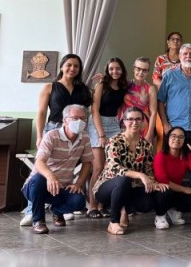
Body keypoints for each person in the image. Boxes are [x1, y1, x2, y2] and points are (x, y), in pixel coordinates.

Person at [23, 53, 92, 227]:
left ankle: (57, 210)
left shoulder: (83, 89)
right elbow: (41, 113)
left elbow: (87, 113)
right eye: (69, 65)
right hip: (53, 129)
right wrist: (39, 135)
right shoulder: (49, 87)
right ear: (62, 66)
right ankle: (32, 211)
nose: (72, 68)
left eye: (76, 66)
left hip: (75, 132)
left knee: (66, 169)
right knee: (41, 172)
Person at [94, 107, 168, 235]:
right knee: (123, 180)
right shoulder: (114, 141)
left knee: (147, 202)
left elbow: (149, 170)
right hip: (107, 187)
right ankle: (113, 222)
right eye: (130, 119)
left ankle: (124, 209)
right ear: (124, 121)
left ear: (143, 122)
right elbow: (114, 167)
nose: (135, 122)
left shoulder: (146, 145)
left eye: (138, 119)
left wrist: (154, 182)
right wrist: (140, 175)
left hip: (133, 187)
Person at [21, 104, 93, 234]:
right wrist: (50, 177)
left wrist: (78, 183)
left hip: (62, 187)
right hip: (38, 186)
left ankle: (56, 211)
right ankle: (38, 221)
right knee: (38, 179)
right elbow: (39, 161)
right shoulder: (51, 136)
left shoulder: (85, 138)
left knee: (79, 201)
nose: (80, 122)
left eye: (83, 118)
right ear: (65, 120)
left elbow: (87, 163)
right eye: (75, 118)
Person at [157, 43, 191, 192]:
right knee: (172, 163)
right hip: (175, 129)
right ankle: (172, 196)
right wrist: (165, 124)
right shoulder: (169, 75)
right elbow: (160, 100)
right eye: (185, 54)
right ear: (179, 57)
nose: (188, 56)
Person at [87, 58, 127, 219]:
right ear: (107, 70)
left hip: (114, 124)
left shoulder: (123, 87)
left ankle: (103, 204)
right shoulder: (101, 86)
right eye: (111, 69)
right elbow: (94, 111)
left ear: (122, 70)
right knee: (97, 168)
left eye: (118, 69)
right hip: (98, 123)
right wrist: (101, 134)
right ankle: (92, 206)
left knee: (111, 167)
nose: (114, 72)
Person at [153, 127, 191, 229]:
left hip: (175, 190)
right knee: (164, 190)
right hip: (160, 190)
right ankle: (160, 215)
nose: (177, 139)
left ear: (184, 140)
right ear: (168, 139)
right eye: (173, 136)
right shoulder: (160, 155)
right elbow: (163, 181)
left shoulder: (186, 156)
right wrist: (184, 189)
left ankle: (172, 209)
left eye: (180, 137)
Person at [152, 32, 183, 151]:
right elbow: (155, 79)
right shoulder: (161, 59)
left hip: (179, 102)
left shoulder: (184, 58)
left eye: (178, 39)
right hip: (163, 100)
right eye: (173, 39)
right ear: (168, 42)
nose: (175, 41)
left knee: (178, 135)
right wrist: (168, 88)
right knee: (163, 135)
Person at [119, 57, 158, 144]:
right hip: (126, 125)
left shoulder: (150, 89)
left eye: (144, 70)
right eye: (138, 69)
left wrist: (149, 134)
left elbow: (153, 112)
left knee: (141, 155)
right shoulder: (125, 85)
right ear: (134, 69)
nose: (141, 72)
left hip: (143, 126)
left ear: (148, 72)